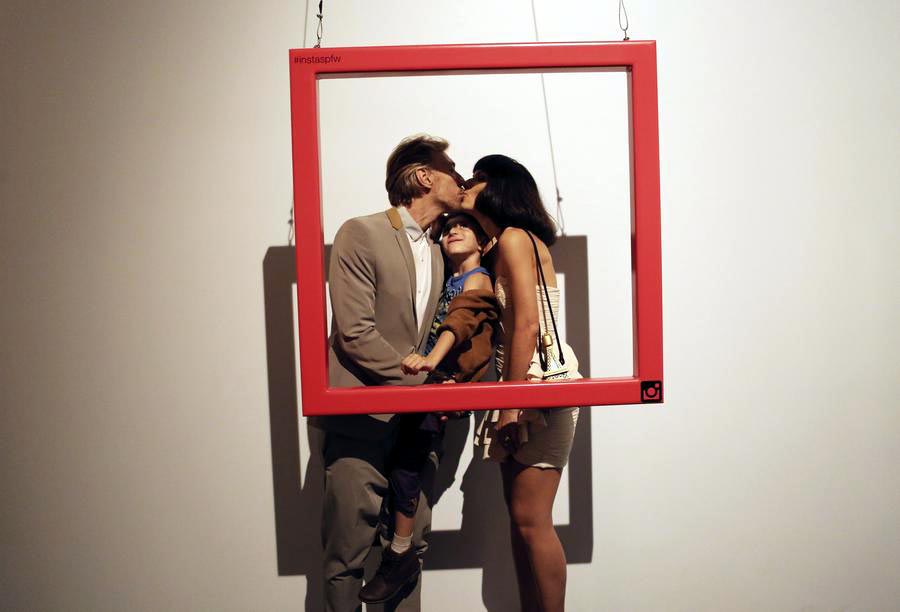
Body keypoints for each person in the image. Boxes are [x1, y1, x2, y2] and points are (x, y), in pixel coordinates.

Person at [316, 134, 464, 612]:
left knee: (408, 550)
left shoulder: (445, 249)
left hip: (416, 429)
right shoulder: (360, 232)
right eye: (453, 170)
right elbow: (354, 334)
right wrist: (426, 388)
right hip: (361, 420)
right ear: (425, 176)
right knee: (347, 556)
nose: (459, 179)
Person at [358, 211, 499, 605]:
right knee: (401, 460)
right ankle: (394, 542)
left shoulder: (477, 279)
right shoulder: (448, 278)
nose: (453, 230)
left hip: (441, 384)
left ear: (484, 244)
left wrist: (430, 362)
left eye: (465, 227)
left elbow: (461, 321)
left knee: (407, 465)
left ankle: (399, 552)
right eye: (449, 227)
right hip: (430, 384)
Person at [465, 154, 582, 612]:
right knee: (522, 521)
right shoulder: (503, 243)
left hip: (534, 389)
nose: (467, 185)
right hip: (521, 389)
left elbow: (528, 326)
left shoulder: (515, 238)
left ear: (496, 187)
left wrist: (510, 404)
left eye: (476, 179)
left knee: (532, 521)